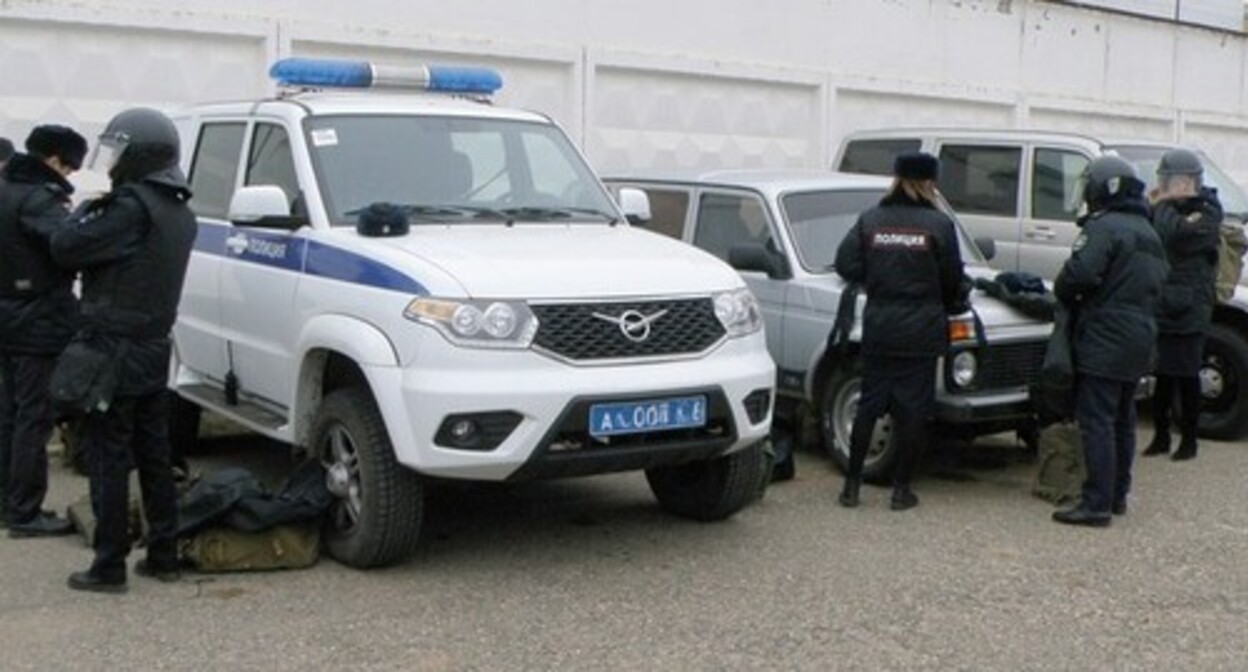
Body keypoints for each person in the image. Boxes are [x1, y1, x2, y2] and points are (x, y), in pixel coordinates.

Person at [51, 108, 196, 593]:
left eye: (118, 153)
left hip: (112, 348)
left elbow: (65, 246)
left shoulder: (130, 207)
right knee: (154, 454)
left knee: (108, 456)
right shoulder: (179, 209)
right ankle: (164, 554)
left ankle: (108, 564)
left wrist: (89, 206)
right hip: (154, 347)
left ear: (138, 155)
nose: (111, 164)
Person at [834, 152, 967, 510]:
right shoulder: (938, 225)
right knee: (913, 412)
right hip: (921, 332)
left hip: (880, 327)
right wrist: (948, 301)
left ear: (896, 178)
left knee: (869, 406)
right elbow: (954, 279)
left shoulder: (871, 219)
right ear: (929, 183)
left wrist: (876, 281)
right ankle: (900, 491)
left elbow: (845, 262)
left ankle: (851, 488)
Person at [1052, 157, 1168, 527]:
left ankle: (1096, 503)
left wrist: (1064, 286)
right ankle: (1117, 495)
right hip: (1140, 335)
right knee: (1123, 418)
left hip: (1106, 333)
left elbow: (1080, 275)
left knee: (1097, 419)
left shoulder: (1105, 227)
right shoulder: (1148, 231)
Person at [0, 125, 88, 536]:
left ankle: (7, 502)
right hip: (37, 319)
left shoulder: (4, 188)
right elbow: (67, 244)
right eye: (69, 166)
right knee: (33, 418)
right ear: (53, 159)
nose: (69, 175)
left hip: (7, 315)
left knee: (9, 413)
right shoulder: (40, 198)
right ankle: (25, 512)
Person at [1141, 149, 1221, 462]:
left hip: (1191, 306)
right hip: (1164, 301)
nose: (1166, 186)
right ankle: (1161, 436)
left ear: (1189, 181)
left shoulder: (1207, 210)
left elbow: (1174, 233)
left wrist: (1160, 205)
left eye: (1172, 180)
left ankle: (1189, 439)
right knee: (1162, 373)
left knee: (1187, 373)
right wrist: (1154, 204)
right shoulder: (1166, 208)